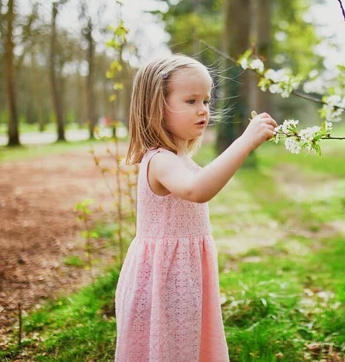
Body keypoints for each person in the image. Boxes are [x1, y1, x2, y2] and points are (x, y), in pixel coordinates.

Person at [115, 53, 278, 361]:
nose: (203, 110)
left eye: (206, 100)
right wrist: (245, 142)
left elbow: (200, 180)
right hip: (162, 281)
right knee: (168, 349)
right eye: (191, 101)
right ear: (156, 106)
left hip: (185, 277)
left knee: (188, 346)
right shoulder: (160, 159)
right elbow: (197, 189)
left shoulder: (182, 160)